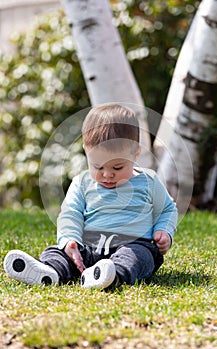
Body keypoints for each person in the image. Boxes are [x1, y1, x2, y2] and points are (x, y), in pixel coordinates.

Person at [4, 104, 178, 289]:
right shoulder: (82, 182)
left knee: (138, 257)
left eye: (117, 167)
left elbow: (168, 209)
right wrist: (70, 240)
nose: (107, 174)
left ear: (135, 154)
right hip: (89, 247)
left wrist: (164, 230)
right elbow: (71, 213)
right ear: (87, 153)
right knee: (58, 253)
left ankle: (113, 275)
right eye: (98, 166)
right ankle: (49, 271)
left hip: (132, 244)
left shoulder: (148, 181)